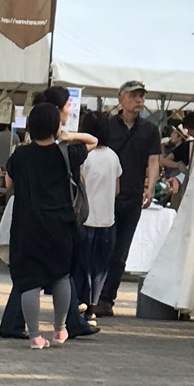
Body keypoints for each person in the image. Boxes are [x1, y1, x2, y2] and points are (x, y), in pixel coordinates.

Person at [4, 100, 80, 348]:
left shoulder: (21, 155)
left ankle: (35, 335)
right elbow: (94, 142)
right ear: (56, 125)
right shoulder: (65, 152)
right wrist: (67, 137)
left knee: (29, 280)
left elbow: (8, 183)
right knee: (61, 276)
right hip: (60, 222)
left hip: (28, 223)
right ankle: (60, 329)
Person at [95, 81, 162, 314]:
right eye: (133, 96)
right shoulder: (107, 126)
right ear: (121, 99)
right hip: (107, 196)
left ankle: (107, 299)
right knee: (105, 246)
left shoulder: (150, 130)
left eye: (141, 96)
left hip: (133, 196)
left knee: (121, 251)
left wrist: (150, 187)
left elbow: (153, 161)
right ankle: (94, 295)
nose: (139, 101)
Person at [74, 107, 120, 327]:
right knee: (100, 268)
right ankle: (93, 306)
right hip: (107, 219)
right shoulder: (113, 157)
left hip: (84, 218)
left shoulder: (85, 156)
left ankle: (79, 304)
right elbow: (117, 190)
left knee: (81, 265)